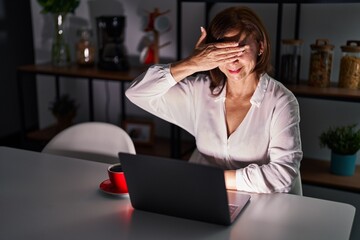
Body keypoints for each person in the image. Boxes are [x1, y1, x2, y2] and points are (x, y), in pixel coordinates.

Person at [126, 6, 303, 194]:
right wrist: (192, 63)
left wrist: (217, 180)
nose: (231, 61)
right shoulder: (200, 91)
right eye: (221, 52)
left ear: (260, 46)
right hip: (207, 197)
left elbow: (283, 175)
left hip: (260, 205)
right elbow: (137, 92)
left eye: (240, 48)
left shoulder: (281, 101)